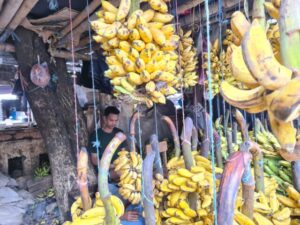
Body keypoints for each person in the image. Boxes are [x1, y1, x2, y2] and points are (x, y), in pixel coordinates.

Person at [88, 106, 143, 224]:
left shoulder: (119, 133)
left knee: (136, 179)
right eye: (111, 120)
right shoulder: (96, 135)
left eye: (115, 120)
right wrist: (113, 166)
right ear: (104, 118)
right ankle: (121, 214)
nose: (113, 123)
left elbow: (123, 153)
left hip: (122, 171)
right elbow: (93, 159)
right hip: (106, 173)